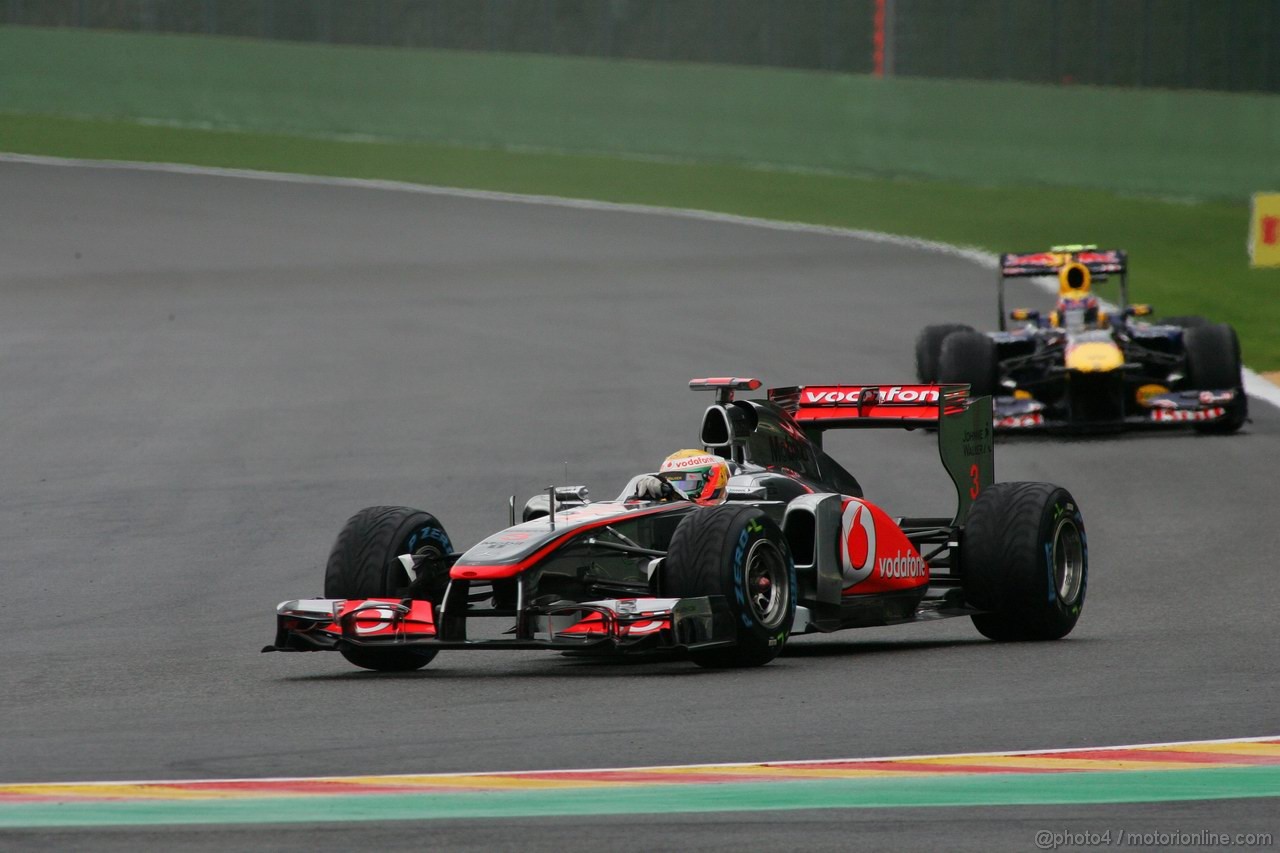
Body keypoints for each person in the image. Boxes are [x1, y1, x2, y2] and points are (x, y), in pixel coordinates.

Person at [632, 449, 730, 505]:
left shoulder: (730, 515)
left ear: (711, 479)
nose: (673, 492)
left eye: (685, 484)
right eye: (671, 485)